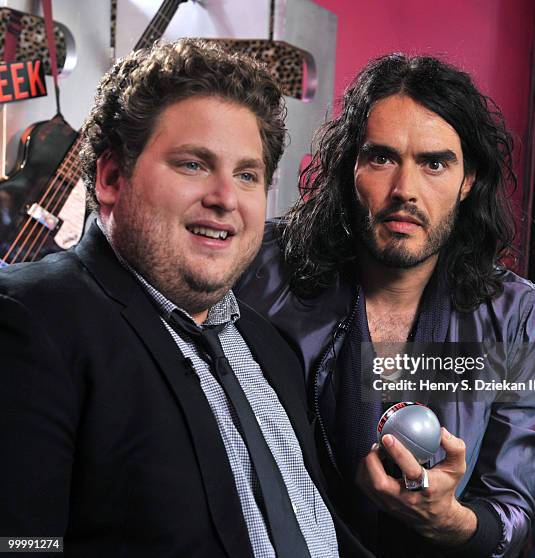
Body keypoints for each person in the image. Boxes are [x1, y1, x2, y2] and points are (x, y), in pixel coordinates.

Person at [0, 39, 371, 558]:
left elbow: (317, 530)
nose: (225, 198)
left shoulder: (272, 349)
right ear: (111, 178)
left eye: (247, 175)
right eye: (194, 164)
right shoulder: (30, 321)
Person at [236, 53, 535, 557]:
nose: (405, 191)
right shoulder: (260, 269)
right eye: (382, 158)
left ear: (468, 179)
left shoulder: (516, 318)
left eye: (434, 163)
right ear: (351, 167)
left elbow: (512, 512)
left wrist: (454, 522)